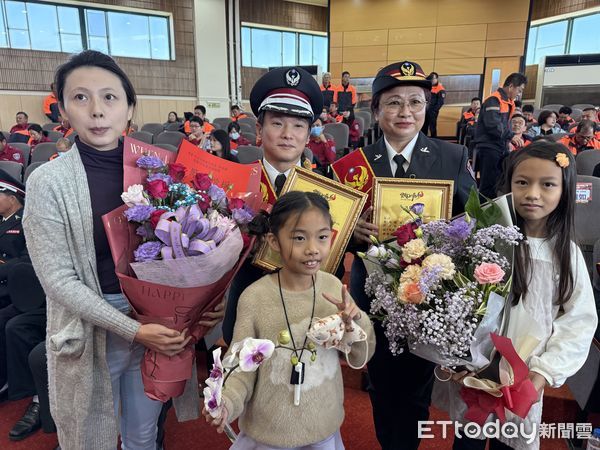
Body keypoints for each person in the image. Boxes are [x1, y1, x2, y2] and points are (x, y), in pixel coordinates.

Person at [22, 50, 225, 449]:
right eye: (81, 98)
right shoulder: (48, 182)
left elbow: (196, 248)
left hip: (158, 316)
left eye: (110, 97)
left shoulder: (162, 170)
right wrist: (133, 331)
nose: (97, 110)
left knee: (143, 434)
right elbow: (57, 280)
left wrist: (206, 306)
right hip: (91, 326)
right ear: (62, 108)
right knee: (89, 439)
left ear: (130, 107)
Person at [348, 60, 476, 450]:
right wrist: (352, 232)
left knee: (418, 385)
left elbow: (473, 221)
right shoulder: (354, 164)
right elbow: (328, 234)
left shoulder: (451, 157)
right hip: (373, 292)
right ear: (376, 110)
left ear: (426, 108)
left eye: (415, 102)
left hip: (429, 294)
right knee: (383, 382)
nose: (405, 112)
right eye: (393, 103)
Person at [446, 140, 597, 450]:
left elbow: (577, 322)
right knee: (468, 439)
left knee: (511, 440)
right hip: (476, 370)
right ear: (509, 184)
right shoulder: (487, 239)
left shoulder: (565, 254)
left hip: (525, 376)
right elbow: (460, 301)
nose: (532, 194)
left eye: (547, 184)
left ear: (565, 190)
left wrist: (543, 373)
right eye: (523, 182)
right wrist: (459, 358)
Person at [204, 191, 375, 449]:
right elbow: (240, 368)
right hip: (269, 432)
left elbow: (361, 353)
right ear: (274, 241)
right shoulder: (255, 298)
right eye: (299, 238)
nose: (313, 249)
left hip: (322, 428)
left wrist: (355, 323)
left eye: (322, 237)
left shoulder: (332, 287)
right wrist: (227, 401)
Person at [222, 66, 324, 345]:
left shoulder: (327, 190)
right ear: (259, 129)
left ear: (308, 134)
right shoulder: (235, 184)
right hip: (246, 302)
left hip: (305, 306)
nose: (287, 134)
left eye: (299, 125)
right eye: (277, 123)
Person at [474, 72, 527, 199]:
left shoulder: (506, 102)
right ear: (511, 86)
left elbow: (504, 124)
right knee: (488, 185)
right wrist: (511, 136)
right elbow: (493, 125)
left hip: (499, 146)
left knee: (497, 183)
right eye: (519, 90)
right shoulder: (494, 100)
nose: (519, 94)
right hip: (489, 147)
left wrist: (507, 142)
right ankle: (483, 214)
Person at [422, 72, 445, 137]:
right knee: (424, 127)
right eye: (431, 79)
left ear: (437, 79)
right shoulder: (428, 87)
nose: (432, 80)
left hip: (432, 111)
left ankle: (434, 141)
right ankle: (423, 140)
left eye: (433, 79)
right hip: (425, 110)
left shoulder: (440, 89)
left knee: (432, 127)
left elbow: (440, 102)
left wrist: (434, 110)